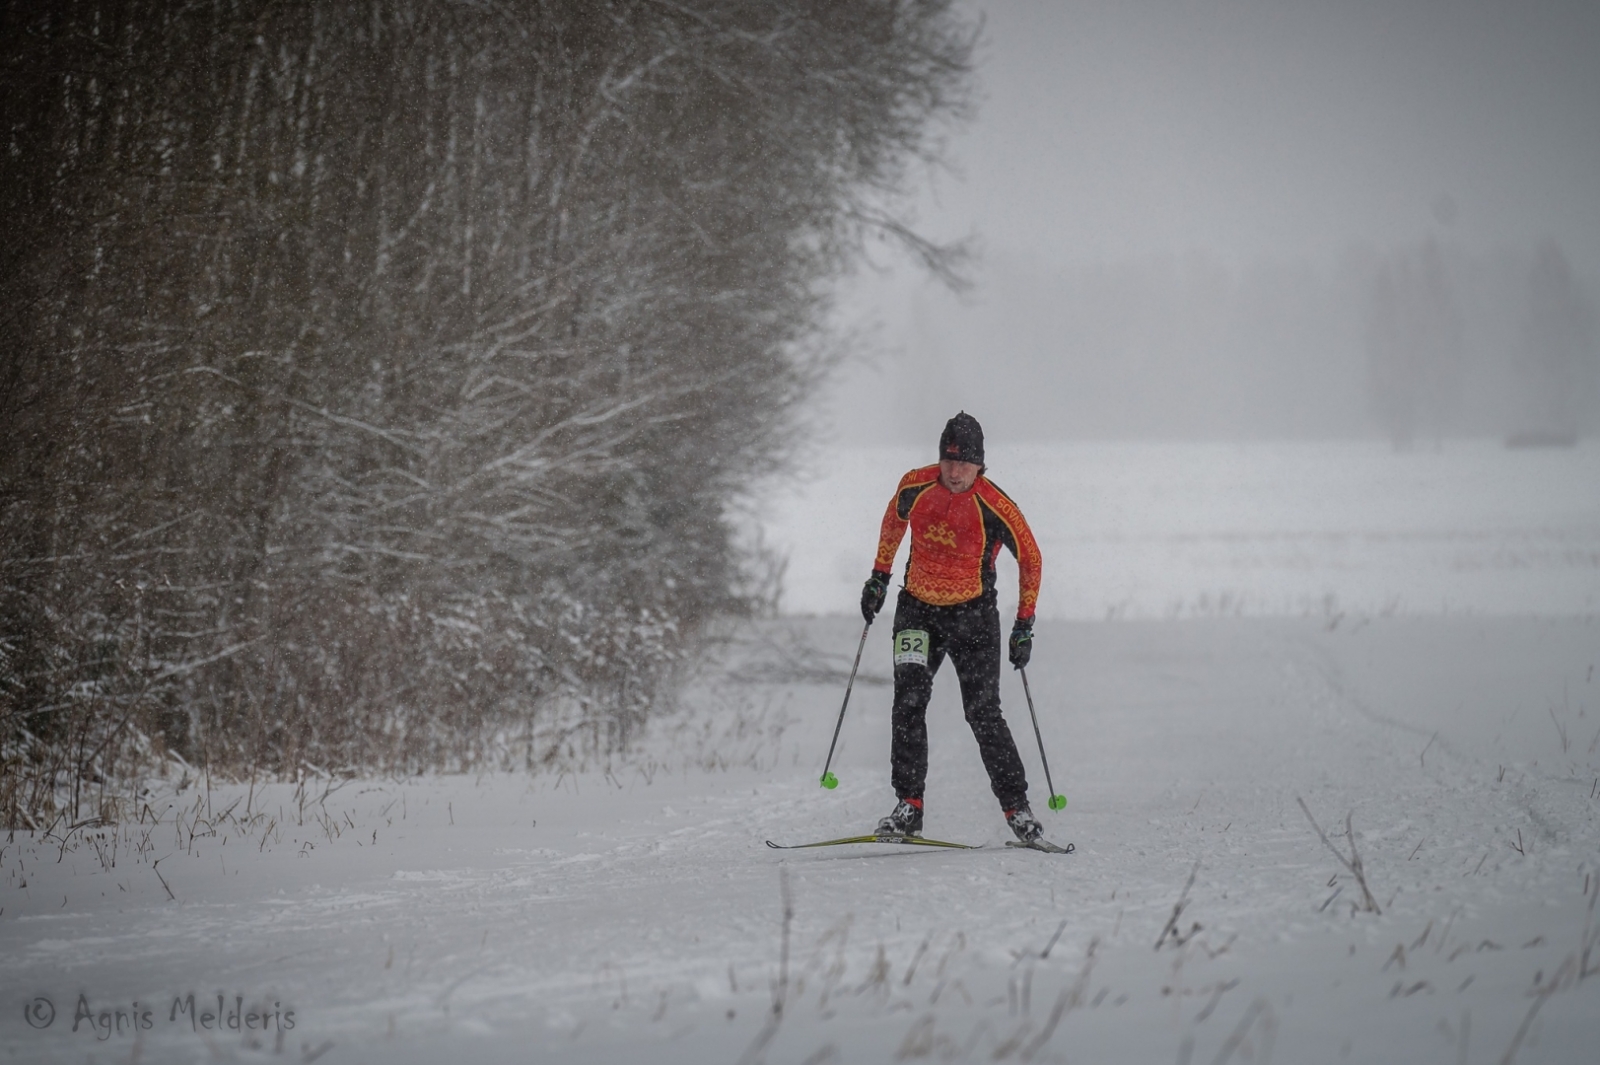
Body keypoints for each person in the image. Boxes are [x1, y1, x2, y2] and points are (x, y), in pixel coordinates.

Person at [860, 412, 1045, 843]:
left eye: (965, 463)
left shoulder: (997, 506)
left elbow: (1031, 560)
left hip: (973, 617)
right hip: (916, 613)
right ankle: (909, 806)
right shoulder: (915, 485)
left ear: (981, 464)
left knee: (982, 713)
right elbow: (893, 521)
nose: (955, 471)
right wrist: (878, 577)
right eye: (949, 461)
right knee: (908, 704)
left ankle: (1018, 809)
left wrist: (1024, 624)